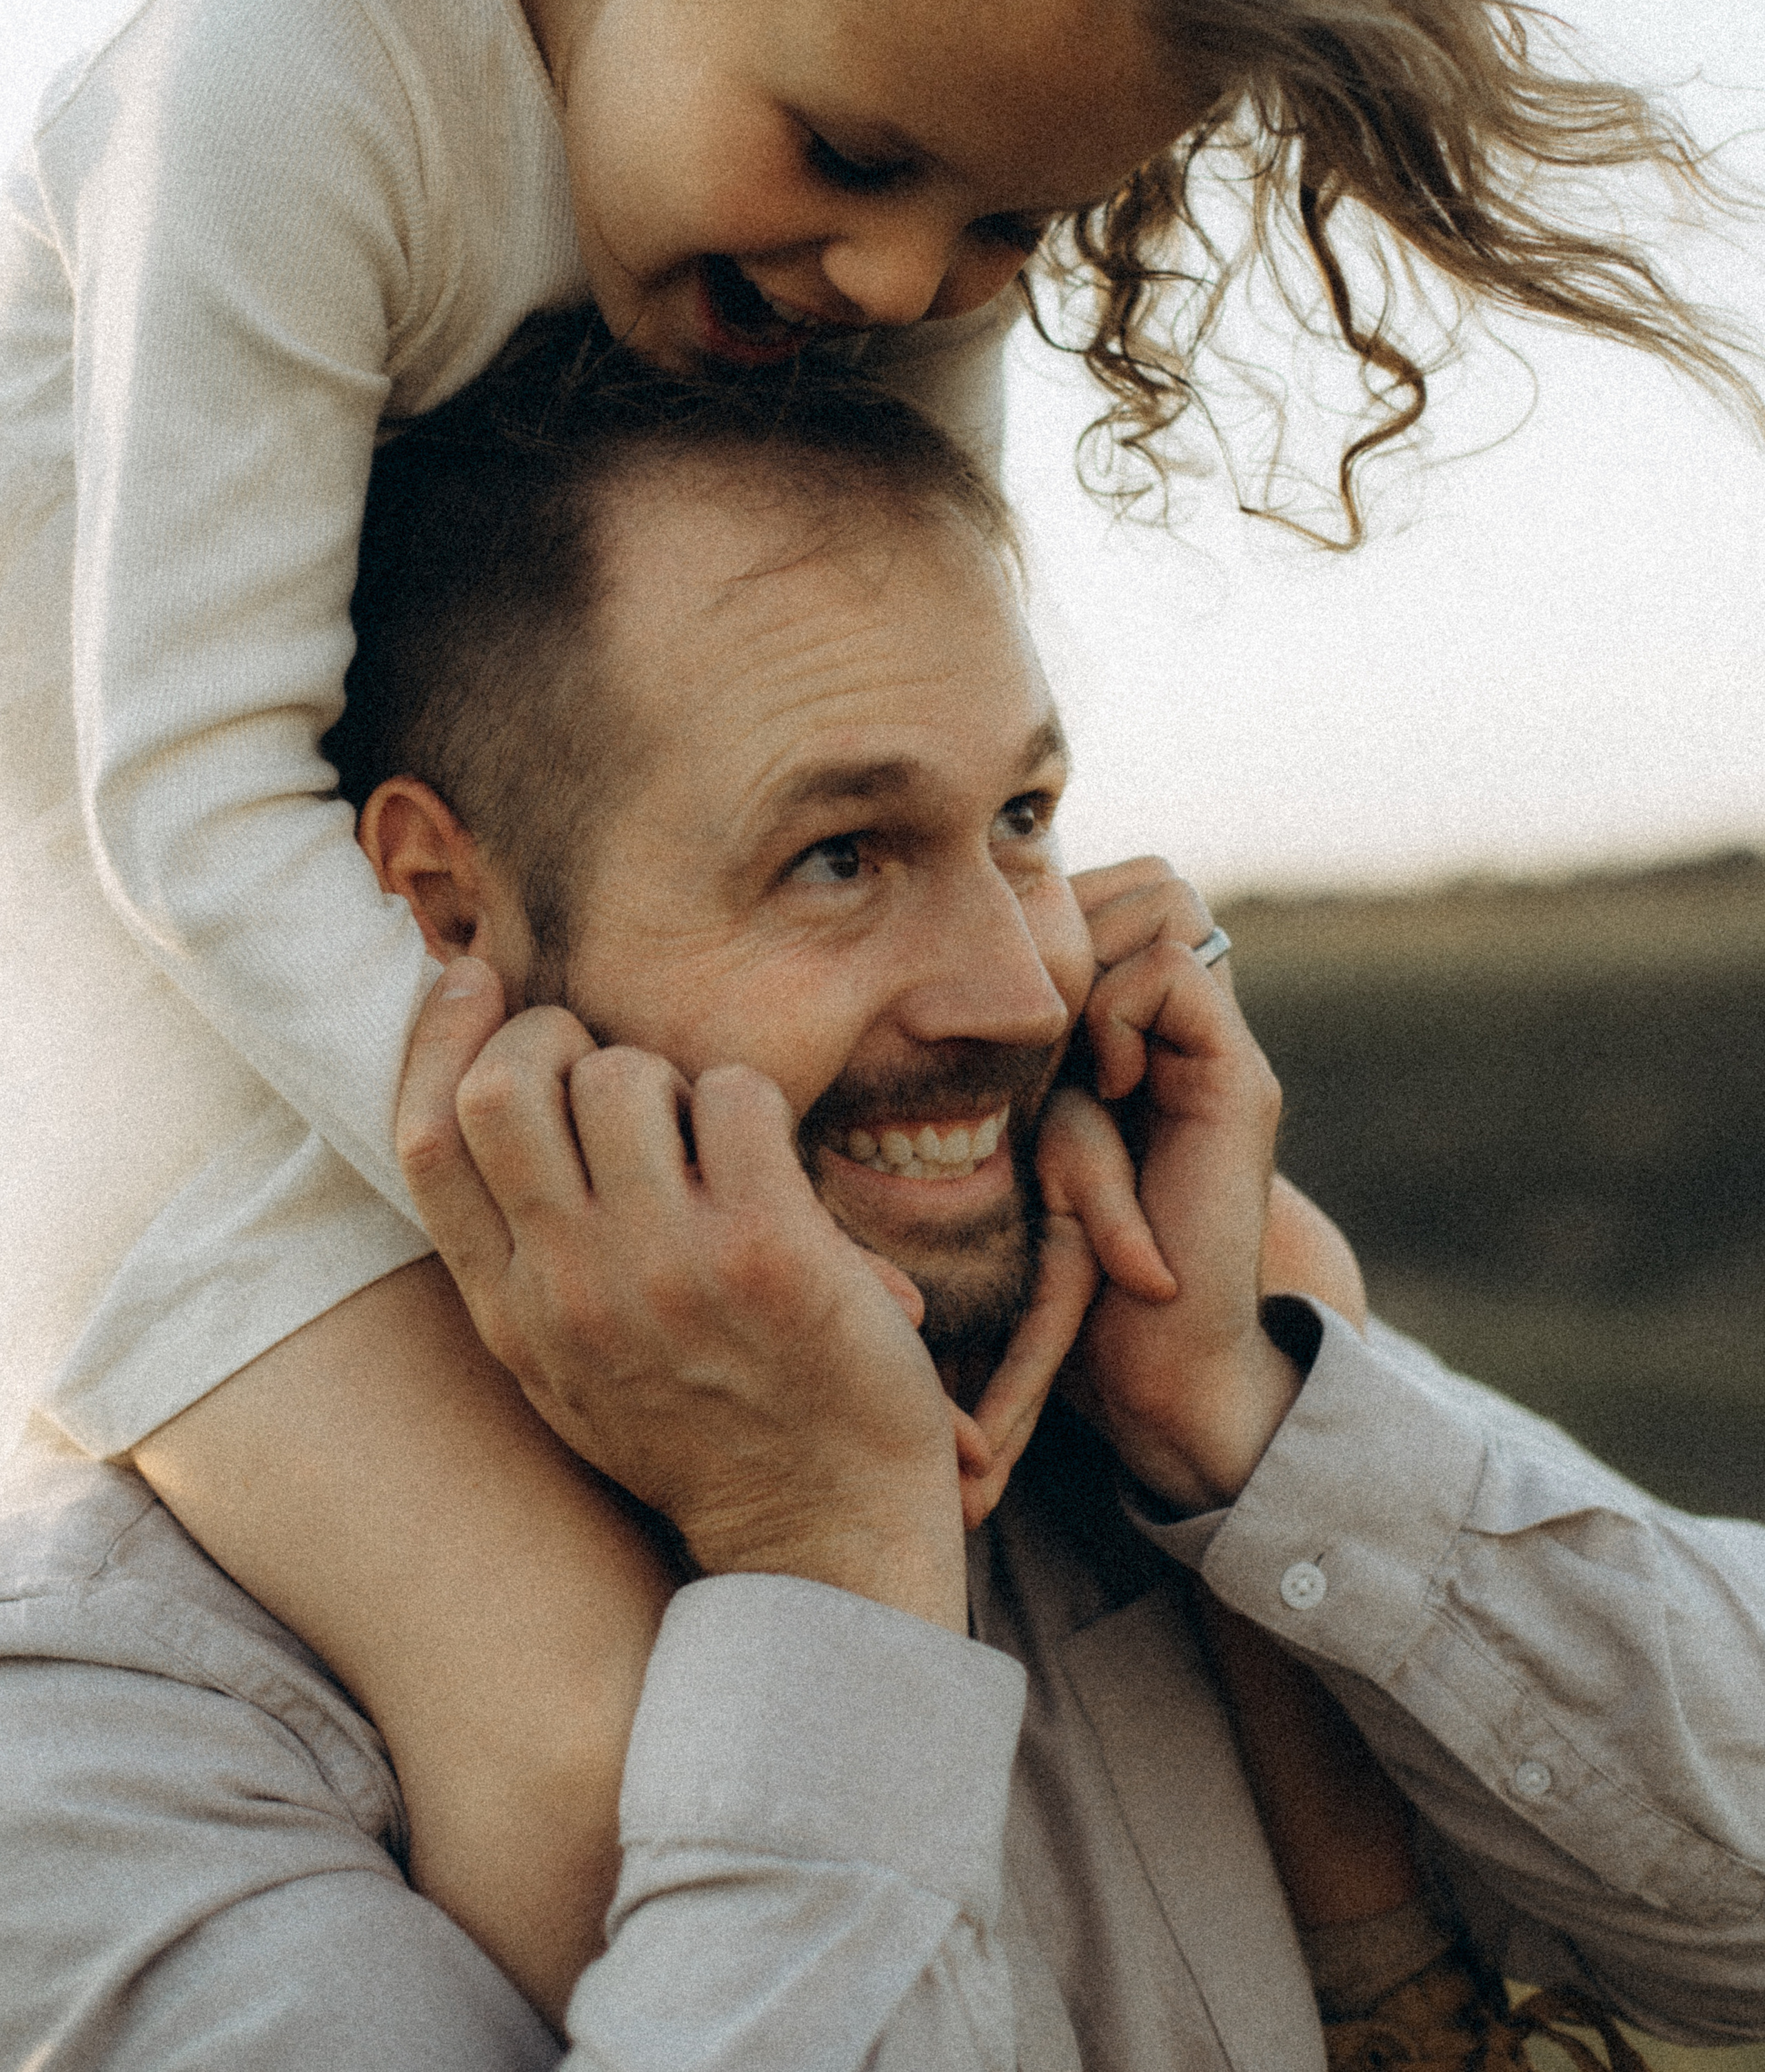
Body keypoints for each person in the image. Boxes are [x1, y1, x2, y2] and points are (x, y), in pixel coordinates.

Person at [0, 0, 1753, 2029]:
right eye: (856, 163)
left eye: (1012, 232)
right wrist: (577, 1200)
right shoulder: (298, 50)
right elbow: (174, 780)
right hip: (116, 974)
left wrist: (1223, 1314)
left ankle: (1397, 1999)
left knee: (1277, 1291)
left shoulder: (852, 170)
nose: (907, 274)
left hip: (461, 920)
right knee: (569, 1706)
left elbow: (899, 618)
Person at [1, 328, 1759, 2071]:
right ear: (441, 916)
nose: (1018, 989)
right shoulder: (128, 1750)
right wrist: (826, 1572)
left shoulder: (1108, 1398)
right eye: (837, 858)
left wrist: (1236, 1414)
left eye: (1021, 816)